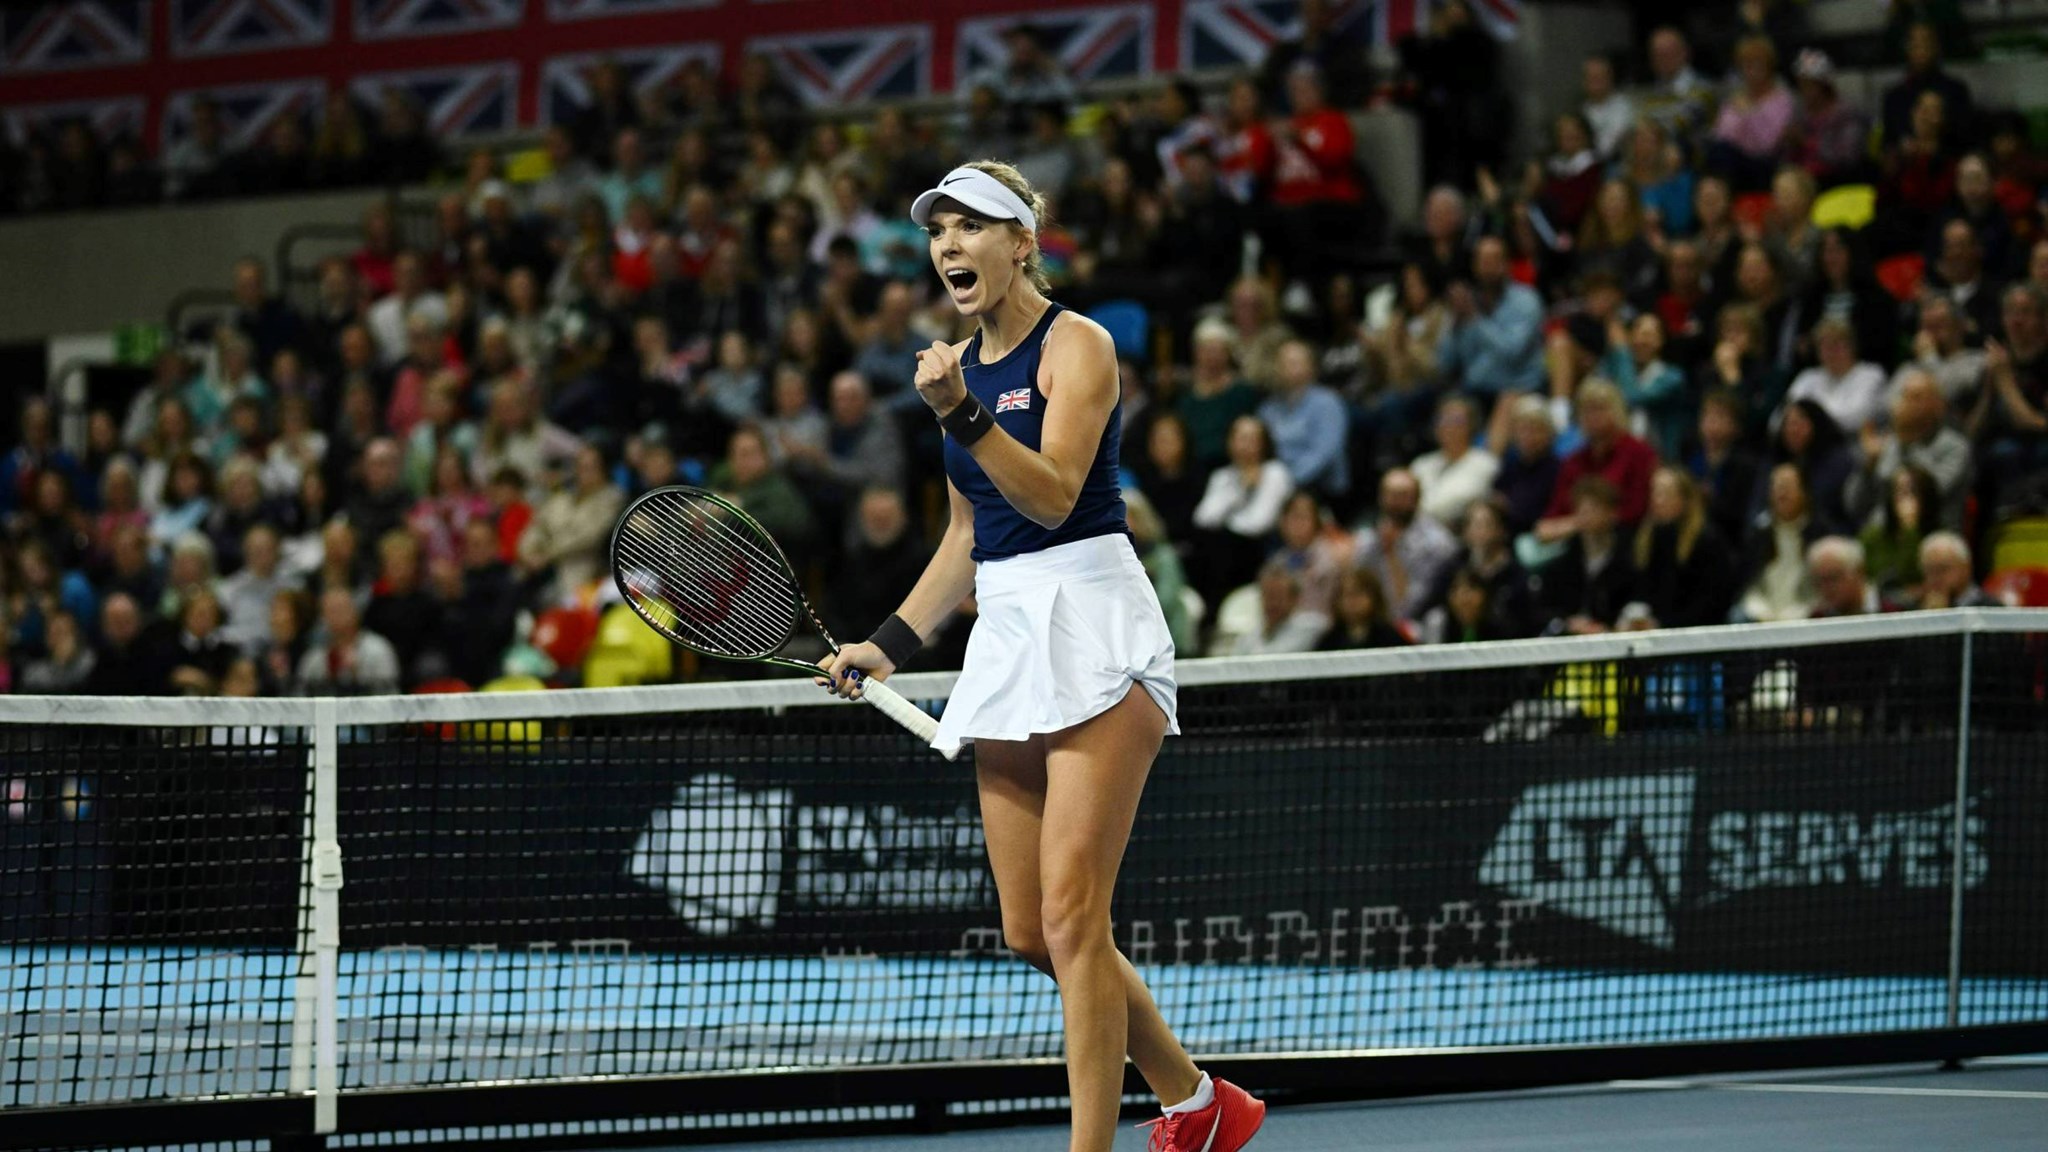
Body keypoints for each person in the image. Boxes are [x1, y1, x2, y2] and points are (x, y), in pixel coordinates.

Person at [819, 162, 1266, 1152]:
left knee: (1073, 920)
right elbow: (965, 538)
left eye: (969, 226)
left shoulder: (1081, 346)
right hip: (1011, 634)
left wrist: (958, 415)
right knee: (1034, 932)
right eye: (937, 231)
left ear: (1022, 242)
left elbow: (1054, 495)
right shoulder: (959, 370)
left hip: (1097, 624)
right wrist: (888, 644)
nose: (947, 246)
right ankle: (1197, 1106)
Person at [1845, 367, 1972, 533]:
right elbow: (1853, 505)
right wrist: (1868, 466)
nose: (1906, 403)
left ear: (1938, 406)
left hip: (1934, 537)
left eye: (1916, 397)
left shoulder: (1955, 447)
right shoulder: (1887, 444)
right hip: (1880, 536)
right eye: (1904, 396)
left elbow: (1926, 494)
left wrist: (1907, 442)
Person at [1630, 466, 1738, 629]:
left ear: (1685, 499)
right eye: (1654, 492)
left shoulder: (1707, 541)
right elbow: (1641, 592)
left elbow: (1712, 602)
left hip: (1697, 635)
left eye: (1665, 494)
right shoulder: (1649, 538)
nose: (1657, 500)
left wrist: (1663, 625)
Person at [1352, 467, 1460, 626]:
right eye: (1390, 494)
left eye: (1403, 495)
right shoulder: (1369, 539)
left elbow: (1416, 603)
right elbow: (1358, 584)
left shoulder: (1437, 542)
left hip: (1420, 622)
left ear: (1416, 498)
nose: (1396, 502)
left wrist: (1391, 554)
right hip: (1374, 622)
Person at [1409, 395, 1499, 528]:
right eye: (1443, 420)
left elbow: (1462, 499)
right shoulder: (1421, 464)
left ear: (1471, 426)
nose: (1449, 426)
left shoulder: (1485, 464)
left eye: (1456, 420)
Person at [1916, 531, 1995, 609]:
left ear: (1966, 568)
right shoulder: (1915, 609)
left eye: (1943, 569)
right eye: (1929, 570)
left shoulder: (1990, 608)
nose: (1935, 577)